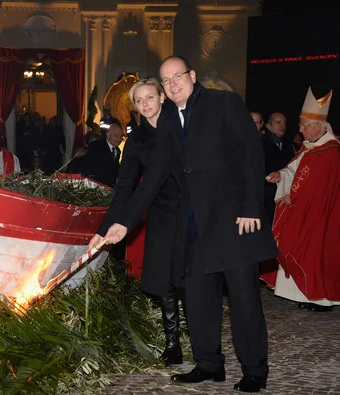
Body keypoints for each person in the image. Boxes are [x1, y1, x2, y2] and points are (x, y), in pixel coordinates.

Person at [101, 56, 278, 393]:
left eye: (178, 76)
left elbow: (250, 154)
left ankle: (256, 369)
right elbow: (154, 177)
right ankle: (209, 364)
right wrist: (124, 223)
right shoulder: (168, 118)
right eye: (166, 80)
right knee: (198, 300)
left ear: (192, 76)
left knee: (243, 301)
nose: (173, 84)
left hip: (234, 222)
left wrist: (251, 207)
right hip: (194, 227)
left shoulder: (223, 103)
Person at [89, 77, 185, 366]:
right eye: (139, 101)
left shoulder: (179, 125)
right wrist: (103, 229)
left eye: (149, 98)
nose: (145, 105)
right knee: (165, 281)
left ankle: (202, 341)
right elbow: (124, 188)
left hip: (191, 208)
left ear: (162, 97)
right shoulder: (136, 141)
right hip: (159, 211)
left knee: (190, 278)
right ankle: (173, 345)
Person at [262, 87, 339, 312]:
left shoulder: (331, 152)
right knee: (297, 250)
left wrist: (292, 197)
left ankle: (322, 300)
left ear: (319, 126)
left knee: (317, 252)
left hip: (321, 215)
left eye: (304, 125)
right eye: (301, 125)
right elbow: (294, 172)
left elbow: (322, 189)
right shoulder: (310, 148)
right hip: (302, 208)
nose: (301, 130)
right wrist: (280, 176)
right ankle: (303, 294)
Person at [262, 112, 295, 223]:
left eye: (284, 123)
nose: (283, 126)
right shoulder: (260, 143)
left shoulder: (289, 146)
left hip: (284, 192)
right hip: (266, 193)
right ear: (268, 125)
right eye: (278, 122)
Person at [83, 122, 123, 187]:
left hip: (110, 187)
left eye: (121, 137)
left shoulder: (117, 150)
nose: (119, 139)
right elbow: (90, 165)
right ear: (108, 135)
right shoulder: (96, 146)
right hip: (96, 186)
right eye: (116, 136)